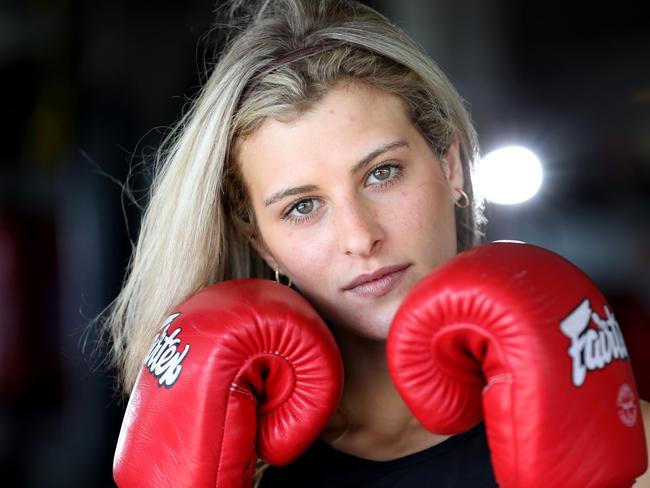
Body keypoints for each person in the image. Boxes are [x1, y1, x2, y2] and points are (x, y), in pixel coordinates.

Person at [105, 0, 650, 486]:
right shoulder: (232, 461)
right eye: (302, 206)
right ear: (261, 241)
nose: (360, 236)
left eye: (382, 173)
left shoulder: (625, 443)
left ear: (451, 164)